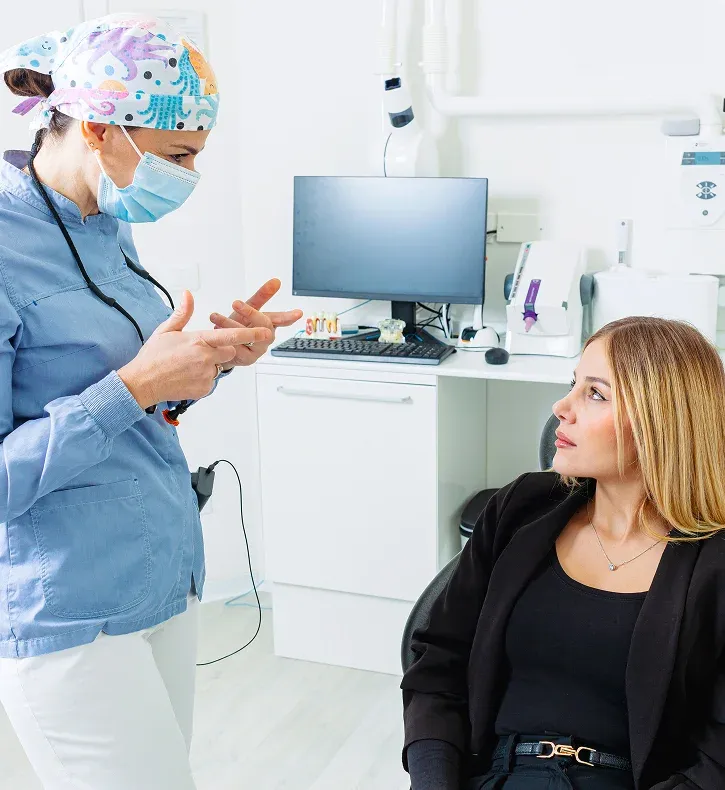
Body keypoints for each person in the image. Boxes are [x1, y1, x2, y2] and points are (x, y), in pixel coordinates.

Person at [0, 14, 301, 790]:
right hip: (68, 610)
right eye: (178, 157)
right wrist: (133, 385)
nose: (189, 178)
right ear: (99, 128)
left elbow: (128, 405)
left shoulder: (104, 223)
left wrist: (209, 362)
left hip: (161, 578)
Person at [402, 316, 725, 789]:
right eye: (572, 384)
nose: (561, 408)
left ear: (661, 422)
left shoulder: (713, 564)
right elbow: (438, 663)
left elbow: (717, 756)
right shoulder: (520, 509)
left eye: (595, 394)